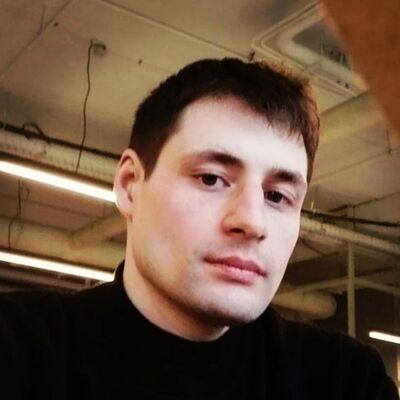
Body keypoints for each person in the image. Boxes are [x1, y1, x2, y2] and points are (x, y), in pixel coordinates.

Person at [0, 58, 397, 399]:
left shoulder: (344, 381)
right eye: (211, 179)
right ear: (130, 185)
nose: (252, 221)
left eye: (277, 196)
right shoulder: (19, 350)